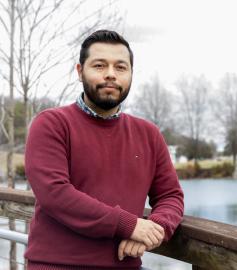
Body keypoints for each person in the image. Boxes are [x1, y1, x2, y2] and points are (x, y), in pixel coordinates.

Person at [24, 29, 184, 270]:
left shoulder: (148, 134)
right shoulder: (52, 124)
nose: (111, 74)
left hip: (125, 265)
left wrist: (155, 229)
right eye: (99, 65)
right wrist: (130, 225)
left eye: (121, 67)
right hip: (57, 265)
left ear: (130, 74)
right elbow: (55, 194)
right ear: (80, 71)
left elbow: (171, 196)